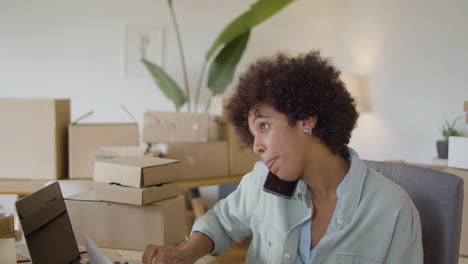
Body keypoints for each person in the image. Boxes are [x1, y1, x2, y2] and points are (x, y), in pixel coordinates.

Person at [142, 51, 423, 264]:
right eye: (252, 135)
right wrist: (185, 254)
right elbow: (221, 220)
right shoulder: (262, 182)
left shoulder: (392, 211)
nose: (257, 146)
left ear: (306, 120)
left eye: (264, 126)